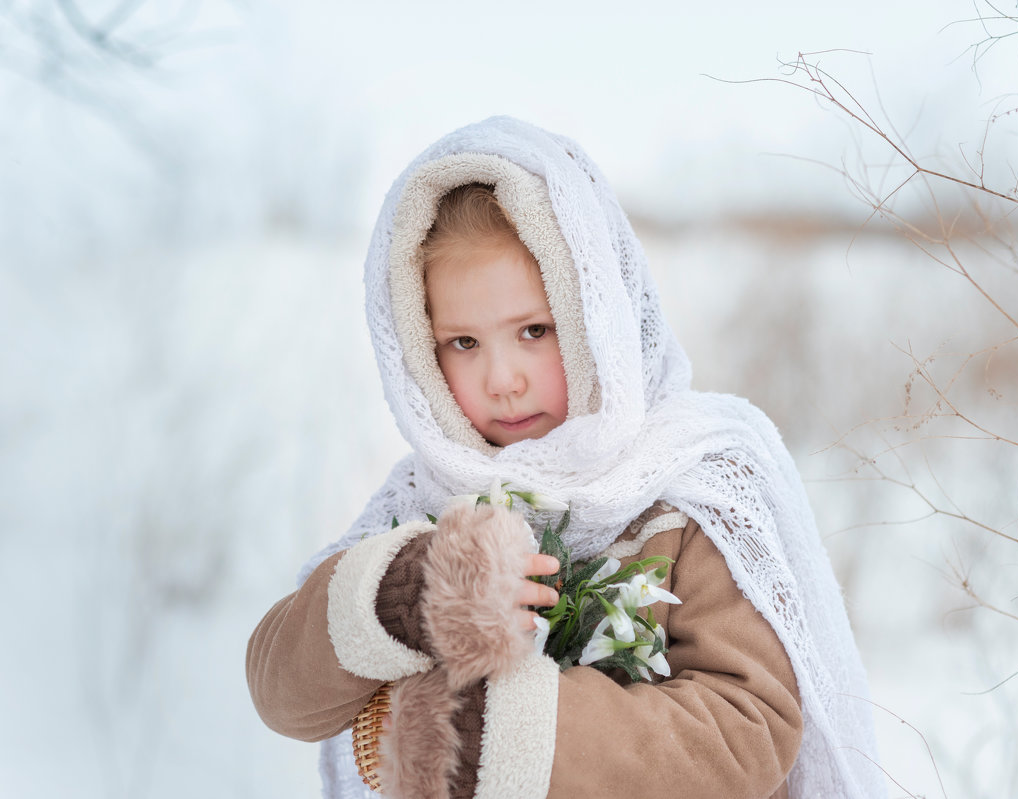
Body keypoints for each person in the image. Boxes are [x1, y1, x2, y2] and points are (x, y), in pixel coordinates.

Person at [246, 116, 884, 799]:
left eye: (533, 330)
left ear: (596, 317)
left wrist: (503, 736)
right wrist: (400, 596)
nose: (502, 377)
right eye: (463, 342)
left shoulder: (690, 482)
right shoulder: (426, 504)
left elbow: (747, 727)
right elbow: (282, 691)